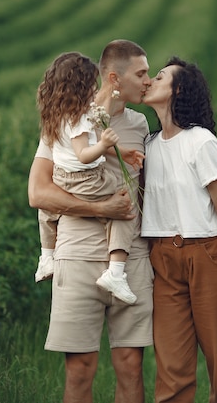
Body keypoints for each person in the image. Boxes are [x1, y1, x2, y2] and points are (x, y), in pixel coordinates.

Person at [28, 39, 153, 403]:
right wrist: (101, 210)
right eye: (141, 73)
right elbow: (38, 193)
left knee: (130, 364)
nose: (147, 80)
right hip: (77, 254)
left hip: (131, 259)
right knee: (80, 368)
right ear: (114, 79)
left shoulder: (140, 123)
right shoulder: (66, 120)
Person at [141, 56, 217, 403]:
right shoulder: (147, 146)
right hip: (163, 259)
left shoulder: (201, 141)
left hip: (207, 256)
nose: (150, 81)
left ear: (177, 90)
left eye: (158, 77)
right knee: (171, 369)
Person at [33, 51, 144, 305]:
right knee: (126, 202)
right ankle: (116, 272)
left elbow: (71, 150)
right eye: (91, 86)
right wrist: (105, 141)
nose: (95, 91)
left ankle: (46, 256)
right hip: (87, 178)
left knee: (46, 211)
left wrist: (122, 152)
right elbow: (84, 154)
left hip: (62, 177)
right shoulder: (81, 119)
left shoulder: (55, 116)